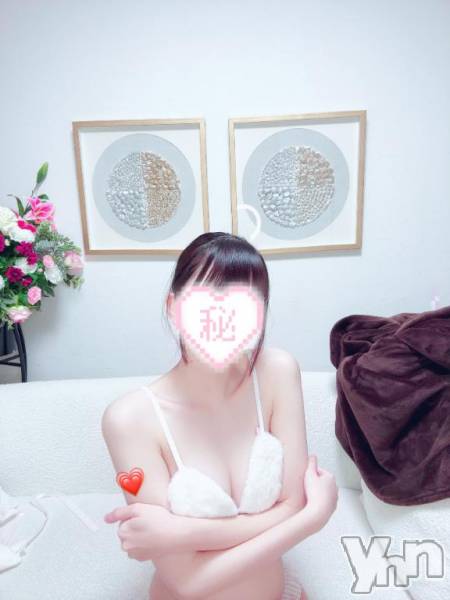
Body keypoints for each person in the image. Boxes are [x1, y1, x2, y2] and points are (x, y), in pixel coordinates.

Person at [102, 232, 338, 600]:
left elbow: (295, 504)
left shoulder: (277, 373)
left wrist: (182, 533)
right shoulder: (128, 420)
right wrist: (312, 518)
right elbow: (188, 582)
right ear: (173, 307)